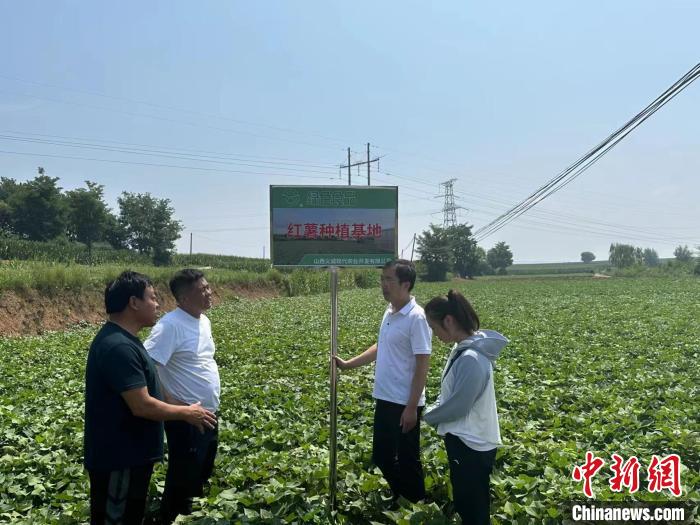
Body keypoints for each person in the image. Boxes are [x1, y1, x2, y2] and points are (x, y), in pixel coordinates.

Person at [84, 270, 217, 525]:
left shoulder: (127, 341)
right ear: (134, 303)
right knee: (116, 518)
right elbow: (141, 404)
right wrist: (186, 412)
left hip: (132, 455)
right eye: (152, 298)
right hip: (119, 457)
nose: (158, 305)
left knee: (129, 515)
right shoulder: (118, 347)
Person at [335, 259, 432, 505]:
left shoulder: (416, 318)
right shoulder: (390, 311)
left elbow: (423, 363)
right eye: (382, 279)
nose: (384, 285)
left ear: (406, 284)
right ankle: (404, 499)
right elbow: (381, 346)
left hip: (404, 402)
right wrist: (349, 364)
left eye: (389, 280)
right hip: (385, 397)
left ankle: (416, 505)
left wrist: (412, 407)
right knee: (382, 456)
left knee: (408, 459)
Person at [422, 290, 508, 525]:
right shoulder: (464, 349)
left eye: (434, 327)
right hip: (467, 438)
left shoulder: (471, 358)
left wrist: (427, 416)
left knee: (472, 506)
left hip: (471, 443)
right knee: (468, 500)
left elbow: (459, 406)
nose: (434, 333)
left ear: (448, 321)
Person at [143, 269, 221, 524]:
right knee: (183, 474)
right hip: (185, 416)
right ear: (183, 298)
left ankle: (192, 516)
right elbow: (146, 367)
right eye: (202, 290)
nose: (209, 293)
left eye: (208, 287)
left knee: (202, 469)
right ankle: (170, 517)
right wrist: (174, 405)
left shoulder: (203, 320)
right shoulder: (169, 326)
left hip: (208, 412)